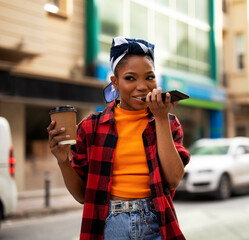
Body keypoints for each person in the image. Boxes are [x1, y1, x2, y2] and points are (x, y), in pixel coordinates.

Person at [47, 36, 190, 240]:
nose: (142, 86)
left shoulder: (168, 122)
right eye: (130, 78)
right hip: (110, 225)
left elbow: (174, 179)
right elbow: (82, 196)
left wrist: (160, 118)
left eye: (149, 77)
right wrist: (63, 161)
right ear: (114, 81)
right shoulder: (91, 127)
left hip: (157, 222)